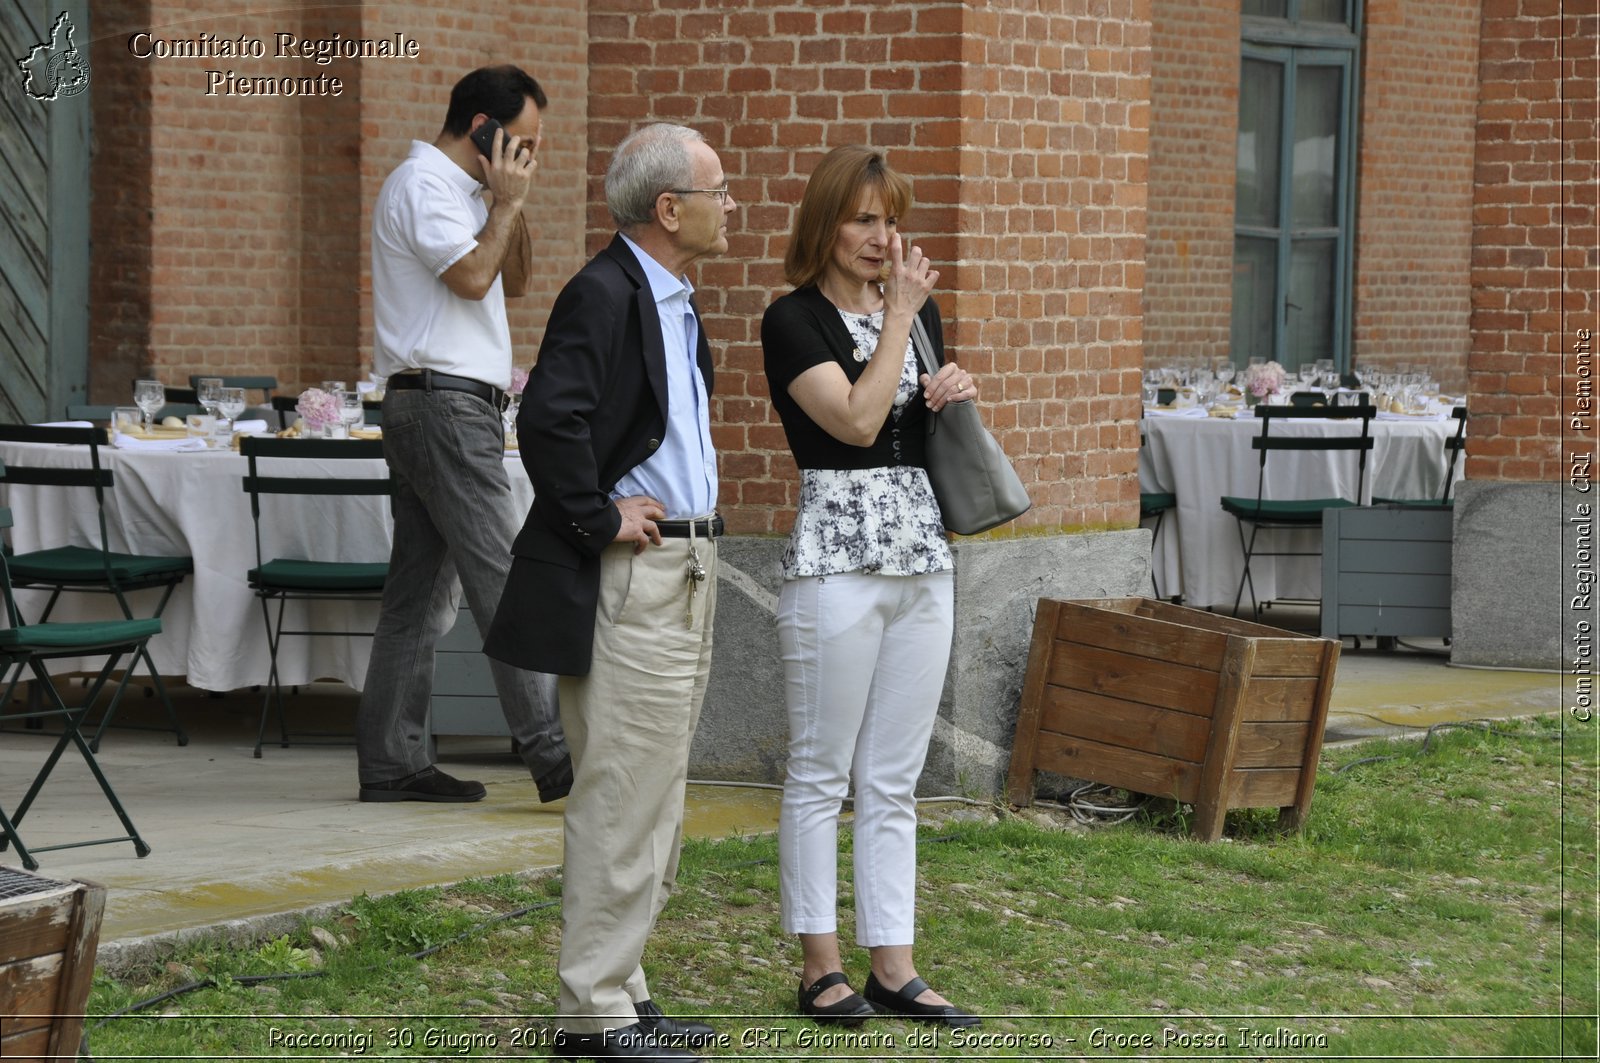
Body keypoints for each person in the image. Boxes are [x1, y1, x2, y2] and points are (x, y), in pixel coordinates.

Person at [484, 123, 736, 1061]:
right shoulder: (603, 291)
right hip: (638, 575)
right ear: (670, 209)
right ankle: (593, 1015)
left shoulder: (670, 295)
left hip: (687, 569)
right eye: (718, 190)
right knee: (623, 790)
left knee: (656, 797)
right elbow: (549, 420)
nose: (731, 204)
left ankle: (624, 989)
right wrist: (597, 517)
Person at [759, 145, 982, 1029]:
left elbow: (909, 431)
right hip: (836, 560)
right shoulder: (792, 320)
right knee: (820, 771)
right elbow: (852, 422)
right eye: (861, 218)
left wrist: (948, 389)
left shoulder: (920, 318)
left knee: (894, 774)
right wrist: (900, 322)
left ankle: (894, 961)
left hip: (922, 552)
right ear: (825, 223)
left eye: (890, 219)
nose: (880, 237)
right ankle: (821, 967)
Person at [358, 65, 570, 806]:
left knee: (416, 595)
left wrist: (501, 198)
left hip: (444, 407)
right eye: (523, 142)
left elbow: (513, 277)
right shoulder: (419, 186)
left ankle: (391, 763)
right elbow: (475, 279)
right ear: (483, 126)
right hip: (443, 407)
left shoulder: (463, 194)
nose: (531, 158)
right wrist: (500, 202)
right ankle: (553, 754)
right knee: (503, 577)